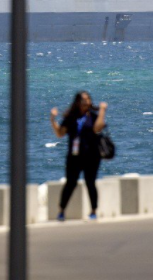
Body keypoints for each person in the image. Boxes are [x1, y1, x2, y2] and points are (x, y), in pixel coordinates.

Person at [49, 90, 108, 221]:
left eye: (88, 99)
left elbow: (97, 128)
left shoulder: (92, 116)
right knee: (70, 183)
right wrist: (53, 120)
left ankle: (93, 211)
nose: (87, 101)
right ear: (77, 102)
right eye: (83, 99)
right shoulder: (71, 117)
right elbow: (60, 133)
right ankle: (61, 210)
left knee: (90, 183)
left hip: (92, 156)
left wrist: (102, 111)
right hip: (74, 156)